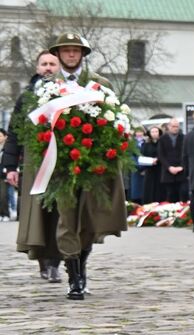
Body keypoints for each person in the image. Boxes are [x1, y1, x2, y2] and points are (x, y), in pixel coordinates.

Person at [49, 33, 127, 299]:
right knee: (67, 219)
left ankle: (82, 266)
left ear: (83, 54)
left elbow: (115, 120)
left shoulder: (99, 84)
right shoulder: (49, 85)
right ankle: (74, 279)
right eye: (66, 51)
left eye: (75, 51)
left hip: (94, 166)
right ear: (58, 55)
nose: (71, 55)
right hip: (61, 166)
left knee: (89, 222)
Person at [3, 49, 63, 283]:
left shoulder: (67, 94)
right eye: (44, 64)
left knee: (59, 213)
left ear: (58, 68)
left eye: (52, 64)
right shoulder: (27, 98)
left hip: (60, 161)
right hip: (33, 163)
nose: (48, 67)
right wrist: (9, 167)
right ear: (37, 68)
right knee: (37, 214)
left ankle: (56, 263)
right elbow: (14, 135)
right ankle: (42, 262)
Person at [158, 118, 186, 202]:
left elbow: (186, 154)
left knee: (183, 196)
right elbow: (161, 155)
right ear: (168, 126)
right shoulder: (162, 139)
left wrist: (182, 167)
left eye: (177, 126)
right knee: (170, 196)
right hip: (168, 172)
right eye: (173, 126)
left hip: (181, 172)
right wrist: (169, 167)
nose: (175, 128)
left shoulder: (184, 137)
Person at [140, 125, 164, 204]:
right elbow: (142, 157)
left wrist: (158, 159)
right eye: (152, 132)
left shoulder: (162, 143)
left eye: (156, 131)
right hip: (149, 170)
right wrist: (150, 161)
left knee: (159, 191)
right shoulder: (146, 144)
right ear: (149, 133)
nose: (154, 133)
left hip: (160, 170)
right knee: (149, 190)